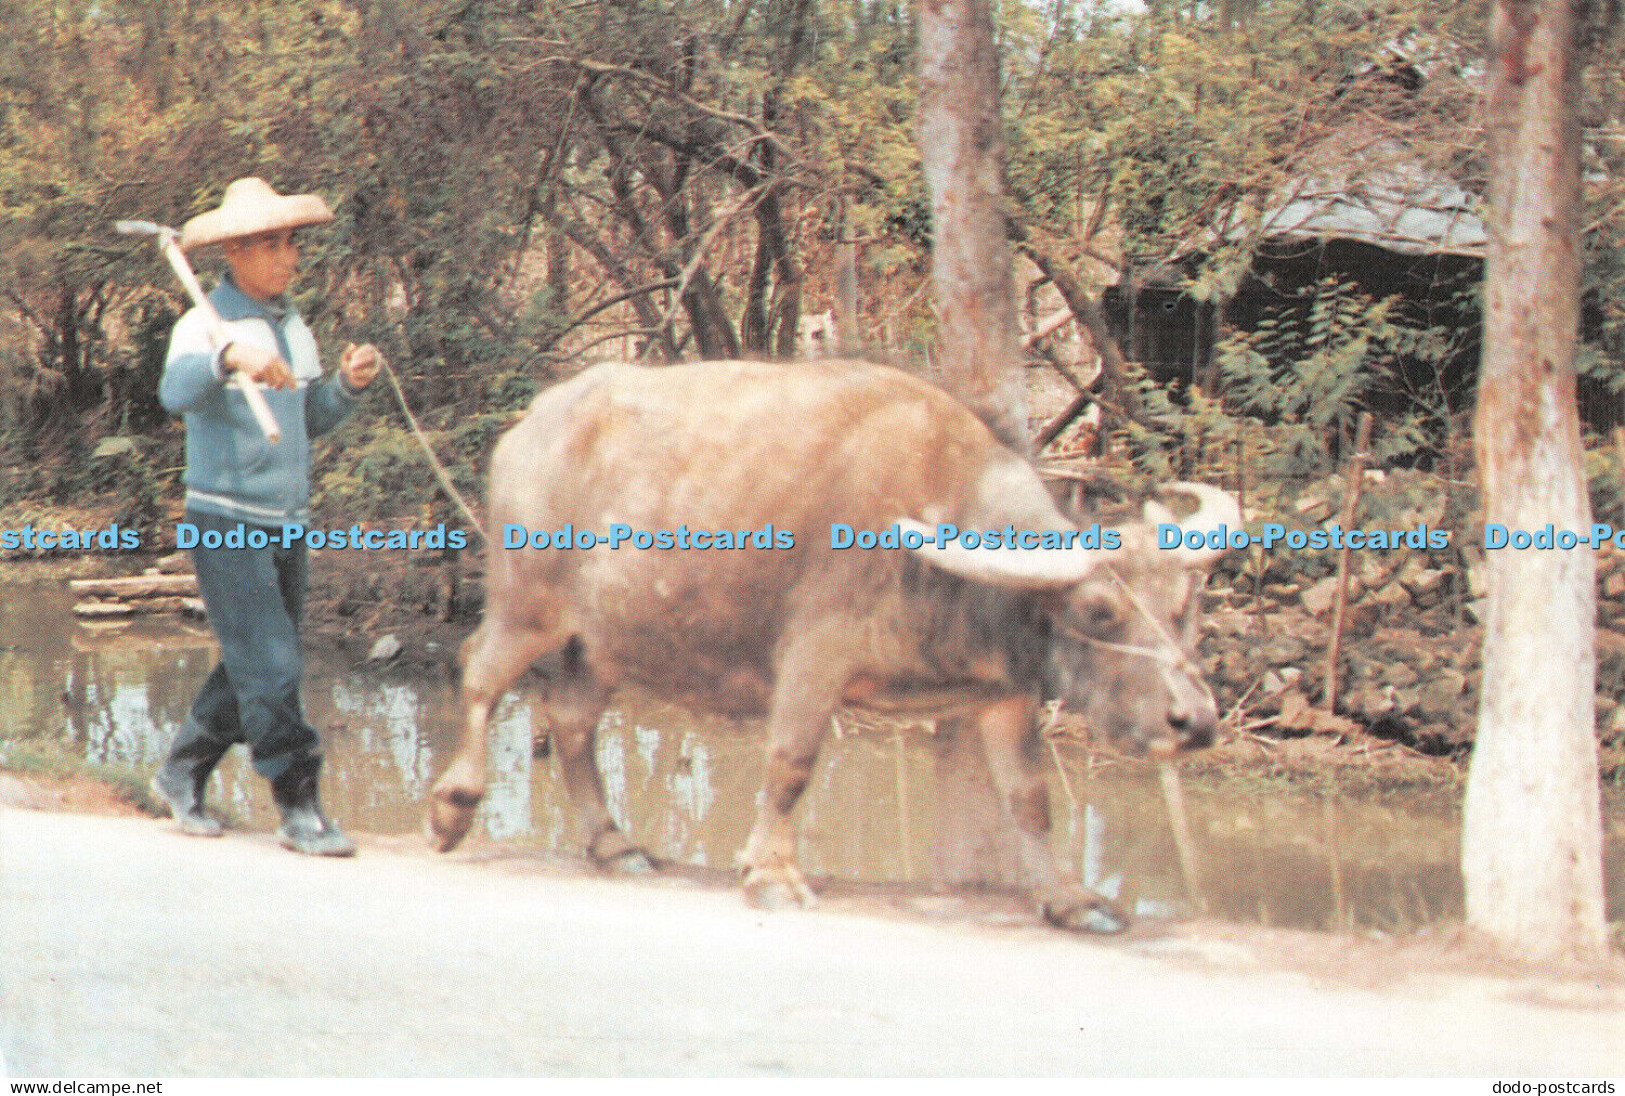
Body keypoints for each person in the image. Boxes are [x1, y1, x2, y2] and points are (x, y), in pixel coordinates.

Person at [150, 177, 382, 856]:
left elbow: (307, 419)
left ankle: (180, 771)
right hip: (222, 520)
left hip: (286, 521)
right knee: (272, 662)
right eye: (273, 245)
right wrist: (228, 358)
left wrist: (346, 387)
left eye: (291, 243)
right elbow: (173, 393)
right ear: (237, 253)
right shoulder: (206, 324)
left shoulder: (293, 328)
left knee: (255, 662)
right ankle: (298, 803)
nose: (288, 258)